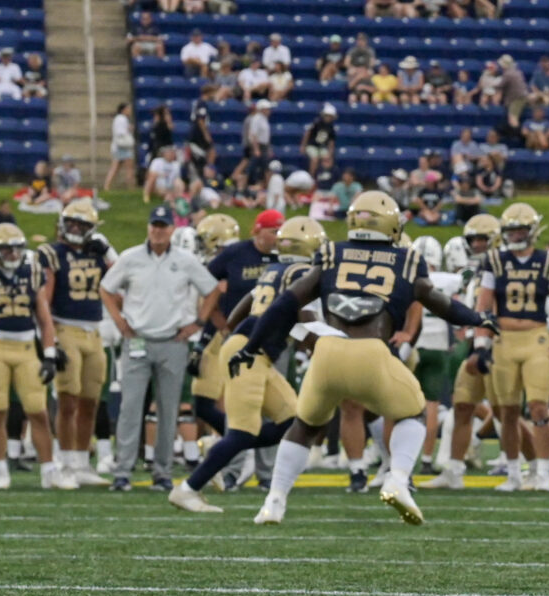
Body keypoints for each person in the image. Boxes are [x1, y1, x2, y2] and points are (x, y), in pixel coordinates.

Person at [228, 191, 492, 526]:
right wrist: (478, 319)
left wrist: (251, 346)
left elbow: (283, 306)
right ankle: (398, 478)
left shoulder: (330, 253)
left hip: (327, 352)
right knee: (413, 412)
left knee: (304, 427)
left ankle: (274, 500)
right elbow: (439, 303)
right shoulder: (406, 258)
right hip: (371, 351)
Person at [171, 216, 326, 513]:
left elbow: (248, 299)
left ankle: (218, 452)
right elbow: (303, 317)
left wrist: (230, 328)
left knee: (296, 423)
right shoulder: (302, 272)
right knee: (243, 433)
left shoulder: (274, 269)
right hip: (250, 353)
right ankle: (189, 489)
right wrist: (325, 343)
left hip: (253, 351)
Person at [100, 206, 220, 492]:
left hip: (172, 341)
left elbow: (212, 289)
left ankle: (162, 472)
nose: (158, 230)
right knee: (130, 408)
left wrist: (198, 322)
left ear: (172, 230)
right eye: (154, 225)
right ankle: (123, 472)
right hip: (137, 339)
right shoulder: (130, 258)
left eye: (163, 226)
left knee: (169, 410)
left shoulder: (185, 260)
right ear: (148, 227)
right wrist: (119, 321)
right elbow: (106, 288)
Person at [0, 221, 67, 491]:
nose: (13, 254)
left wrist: (50, 354)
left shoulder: (33, 275)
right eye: (7, 249)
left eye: (17, 249)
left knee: (38, 412)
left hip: (26, 349)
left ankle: (49, 470)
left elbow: (44, 319)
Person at [476, 203, 549, 492]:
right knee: (507, 412)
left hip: (536, 338)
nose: (515, 235)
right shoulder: (493, 260)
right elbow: (484, 305)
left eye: (520, 229)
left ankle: (543, 472)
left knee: (539, 406)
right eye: (511, 230)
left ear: (532, 231)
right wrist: (481, 343)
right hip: (504, 338)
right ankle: (514, 473)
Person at [37, 198, 117, 486]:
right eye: (71, 222)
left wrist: (108, 251)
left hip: (94, 331)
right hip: (65, 328)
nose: (75, 228)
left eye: (82, 224)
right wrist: (50, 340)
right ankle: (67, 463)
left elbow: (123, 281)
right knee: (68, 401)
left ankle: (83, 463)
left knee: (90, 402)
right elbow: (44, 300)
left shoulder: (97, 253)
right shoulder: (51, 253)